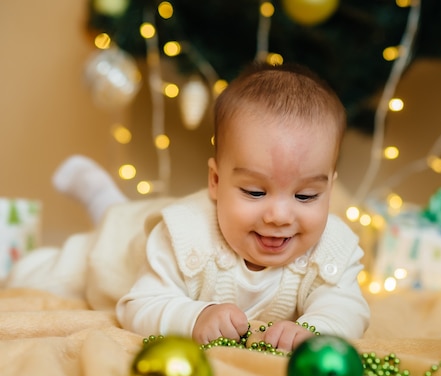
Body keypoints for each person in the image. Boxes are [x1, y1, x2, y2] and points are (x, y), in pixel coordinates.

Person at [115, 62, 370, 352]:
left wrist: (312, 331)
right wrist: (194, 318)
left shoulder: (332, 249)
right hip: (115, 251)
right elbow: (138, 306)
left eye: (306, 196)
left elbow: (348, 310)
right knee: (87, 250)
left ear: (330, 190)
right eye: (255, 191)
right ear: (215, 180)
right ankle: (100, 197)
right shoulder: (183, 235)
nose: (279, 216)